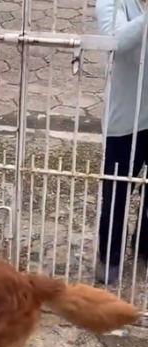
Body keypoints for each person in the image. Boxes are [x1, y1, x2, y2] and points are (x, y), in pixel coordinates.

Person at [95, 0, 148, 284]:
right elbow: (114, 41)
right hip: (125, 120)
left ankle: (144, 245)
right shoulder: (113, 2)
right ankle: (110, 259)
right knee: (116, 194)